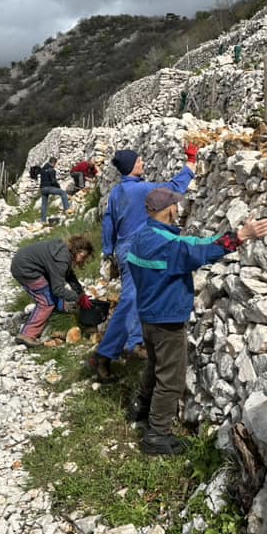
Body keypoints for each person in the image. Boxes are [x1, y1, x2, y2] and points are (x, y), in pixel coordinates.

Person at [127, 187, 267, 455]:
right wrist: (242, 235)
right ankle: (157, 436)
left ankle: (141, 407)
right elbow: (202, 251)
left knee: (154, 364)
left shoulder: (140, 237)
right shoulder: (169, 248)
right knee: (170, 378)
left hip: (147, 316)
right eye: (176, 206)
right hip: (167, 320)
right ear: (170, 209)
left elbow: (192, 245)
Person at [87, 143, 198, 382]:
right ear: (130, 167)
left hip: (126, 248)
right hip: (138, 250)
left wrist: (109, 250)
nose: (143, 163)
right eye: (139, 161)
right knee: (132, 298)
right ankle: (107, 353)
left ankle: (134, 343)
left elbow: (108, 222)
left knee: (138, 297)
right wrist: (190, 164)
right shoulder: (141, 190)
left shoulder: (117, 192)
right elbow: (173, 189)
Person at [9, 235, 95, 347]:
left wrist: (81, 294)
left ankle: (61, 308)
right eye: (83, 257)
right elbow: (57, 289)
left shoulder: (65, 252)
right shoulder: (62, 259)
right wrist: (77, 298)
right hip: (25, 269)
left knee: (49, 291)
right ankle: (27, 335)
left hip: (26, 263)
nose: (84, 260)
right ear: (76, 251)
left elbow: (69, 276)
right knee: (46, 302)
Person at [38, 156, 70, 222]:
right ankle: (67, 210)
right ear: (53, 163)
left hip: (42, 189)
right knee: (63, 192)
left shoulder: (43, 169)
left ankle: (43, 220)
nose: (55, 165)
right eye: (55, 164)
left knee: (44, 204)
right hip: (48, 187)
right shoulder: (51, 169)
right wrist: (58, 187)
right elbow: (53, 181)